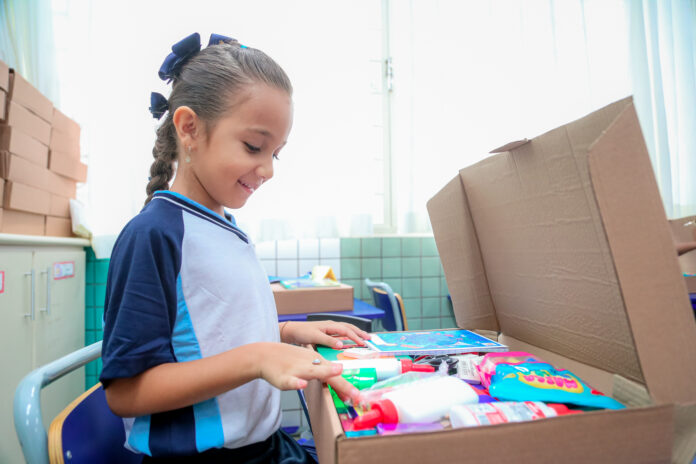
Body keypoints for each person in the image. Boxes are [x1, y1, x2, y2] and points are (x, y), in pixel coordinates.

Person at [100, 32, 370, 463]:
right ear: (189, 128)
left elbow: (210, 336)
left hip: (261, 447)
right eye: (253, 146)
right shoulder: (154, 234)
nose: (267, 169)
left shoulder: (225, 227)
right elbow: (126, 392)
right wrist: (259, 357)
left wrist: (284, 335)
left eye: (275, 154)